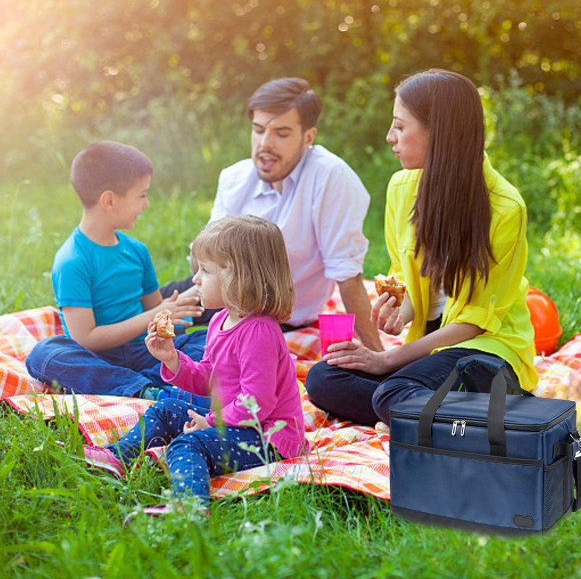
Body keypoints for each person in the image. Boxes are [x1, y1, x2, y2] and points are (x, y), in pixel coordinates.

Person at [305, 69, 538, 426]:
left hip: (485, 353)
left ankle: (432, 407)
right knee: (324, 377)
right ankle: (443, 413)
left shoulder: (506, 208)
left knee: (392, 390)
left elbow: (475, 323)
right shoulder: (402, 188)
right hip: (431, 350)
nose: (389, 137)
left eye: (400, 126)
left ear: (439, 133)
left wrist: (386, 361)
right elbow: (409, 278)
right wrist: (401, 311)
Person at [83, 215, 308, 517]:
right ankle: (115, 458)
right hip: (234, 420)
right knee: (165, 408)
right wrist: (171, 358)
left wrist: (212, 422)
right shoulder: (220, 320)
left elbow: (257, 404)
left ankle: (189, 507)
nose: (196, 279)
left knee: (188, 446)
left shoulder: (259, 333)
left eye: (205, 270)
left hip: (267, 438)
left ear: (239, 276)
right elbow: (208, 380)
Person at [163, 77, 383, 351]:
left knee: (192, 355)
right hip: (216, 291)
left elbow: (347, 276)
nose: (265, 144)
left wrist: (380, 362)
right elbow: (203, 261)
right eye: (258, 130)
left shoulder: (331, 179)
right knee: (127, 310)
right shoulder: (235, 177)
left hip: (273, 315)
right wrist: (169, 308)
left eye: (281, 133)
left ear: (308, 138)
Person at [25, 141, 207, 398]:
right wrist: (154, 314)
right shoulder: (72, 261)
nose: (146, 204)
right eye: (142, 195)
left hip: (146, 351)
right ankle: (144, 389)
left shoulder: (136, 251)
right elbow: (85, 339)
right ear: (109, 200)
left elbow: (155, 310)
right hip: (97, 360)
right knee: (44, 354)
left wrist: (185, 300)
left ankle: (136, 385)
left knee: (209, 339)